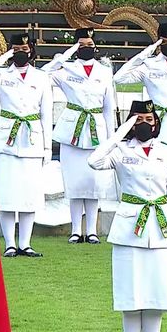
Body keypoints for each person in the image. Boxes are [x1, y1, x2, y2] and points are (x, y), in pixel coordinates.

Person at [87, 101, 167, 332]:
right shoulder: (120, 151)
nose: (145, 123)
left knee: (156, 296)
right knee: (131, 296)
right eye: (139, 118)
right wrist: (123, 131)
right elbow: (94, 160)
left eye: (149, 119)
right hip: (130, 230)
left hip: (161, 229)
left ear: (157, 122)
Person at [0, 33, 52, 257]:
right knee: (7, 194)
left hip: (32, 139)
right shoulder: (0, 75)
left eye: (24, 49)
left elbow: (45, 114)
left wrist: (47, 148)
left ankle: (25, 243)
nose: (21, 53)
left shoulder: (41, 77)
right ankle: (9, 243)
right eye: (16, 49)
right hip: (7, 140)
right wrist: (1, 59)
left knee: (29, 195)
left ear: (32, 50)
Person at [113, 21, 167, 217]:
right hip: (156, 132)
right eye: (164, 41)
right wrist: (145, 53)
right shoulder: (149, 66)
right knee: (157, 187)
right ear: (159, 42)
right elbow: (118, 78)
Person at [50, 28, 114, 244]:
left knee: (93, 182)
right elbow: (44, 75)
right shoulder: (66, 70)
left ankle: (92, 229)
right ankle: (76, 229)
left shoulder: (104, 72)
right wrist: (64, 57)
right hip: (72, 131)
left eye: (89, 45)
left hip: (96, 129)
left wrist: (111, 138)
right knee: (75, 182)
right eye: (82, 45)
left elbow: (108, 108)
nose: (86, 49)